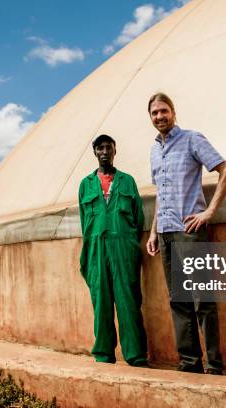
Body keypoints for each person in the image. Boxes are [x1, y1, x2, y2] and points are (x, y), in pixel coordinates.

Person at [145, 92, 226, 375]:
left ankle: (214, 364)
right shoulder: (154, 150)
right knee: (178, 300)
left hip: (190, 231)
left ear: (173, 111)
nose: (160, 116)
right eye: (154, 113)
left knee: (202, 299)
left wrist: (209, 212)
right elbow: (160, 193)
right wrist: (153, 232)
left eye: (163, 111)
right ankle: (189, 362)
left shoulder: (192, 139)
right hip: (166, 233)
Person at [78, 134, 149, 367]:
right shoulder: (86, 185)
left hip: (123, 249)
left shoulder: (127, 181)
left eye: (108, 147)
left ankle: (136, 356)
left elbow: (138, 218)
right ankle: (104, 354)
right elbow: (83, 221)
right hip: (97, 250)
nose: (104, 152)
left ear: (115, 151)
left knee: (128, 302)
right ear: (95, 152)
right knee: (102, 303)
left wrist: (126, 241)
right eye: (100, 148)